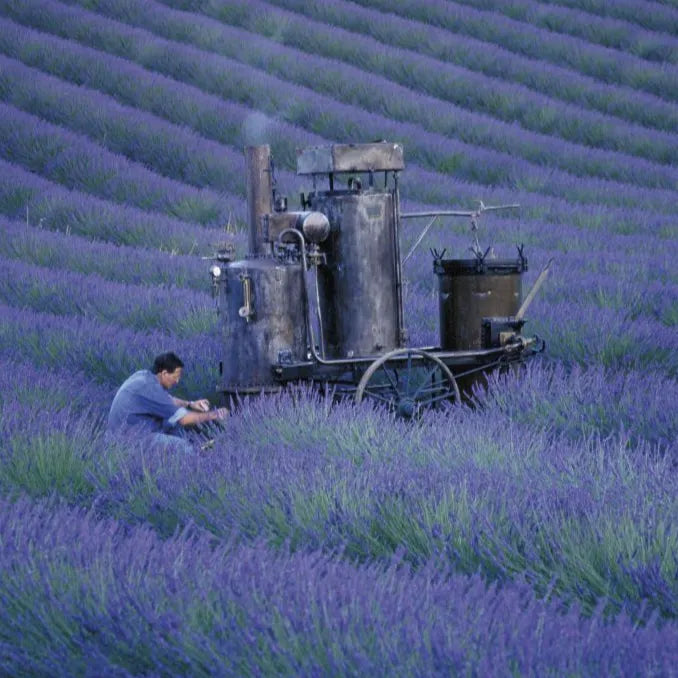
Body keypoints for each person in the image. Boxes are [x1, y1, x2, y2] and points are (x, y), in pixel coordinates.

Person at [107, 352, 228, 453]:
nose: (177, 381)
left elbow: (168, 400)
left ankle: (197, 448)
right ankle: (196, 457)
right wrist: (215, 414)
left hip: (129, 431)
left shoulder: (144, 377)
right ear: (164, 373)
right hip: (129, 439)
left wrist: (190, 404)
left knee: (174, 425)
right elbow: (184, 419)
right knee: (180, 445)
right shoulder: (150, 388)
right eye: (176, 376)